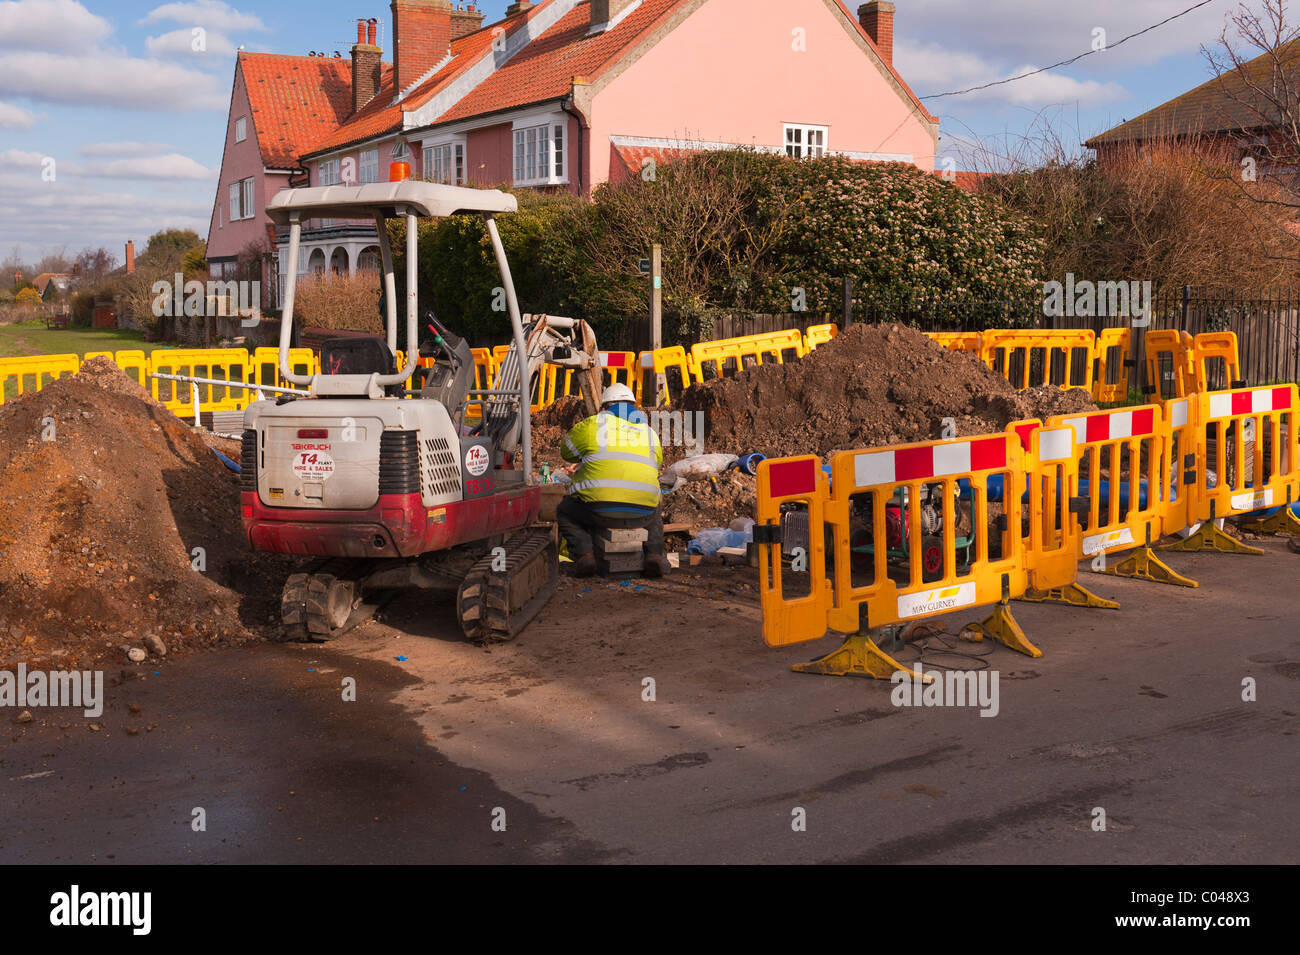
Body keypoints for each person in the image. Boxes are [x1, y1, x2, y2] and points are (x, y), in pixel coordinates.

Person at [558, 383, 669, 578]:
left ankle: (585, 555)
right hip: (642, 514)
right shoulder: (650, 433)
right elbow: (656, 463)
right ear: (634, 407)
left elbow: (566, 452)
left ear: (604, 408)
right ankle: (653, 555)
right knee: (656, 508)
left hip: (598, 512)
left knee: (565, 511)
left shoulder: (593, 425)